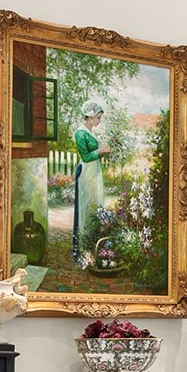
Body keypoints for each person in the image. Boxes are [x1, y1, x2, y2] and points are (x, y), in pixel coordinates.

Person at [71, 104, 109, 263]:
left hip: (94, 171)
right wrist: (101, 151)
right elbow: (86, 157)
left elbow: (95, 154)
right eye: (98, 118)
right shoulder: (80, 133)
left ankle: (93, 243)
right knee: (86, 207)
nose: (100, 121)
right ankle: (82, 247)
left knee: (95, 205)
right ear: (90, 116)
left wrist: (104, 152)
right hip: (86, 172)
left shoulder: (91, 132)